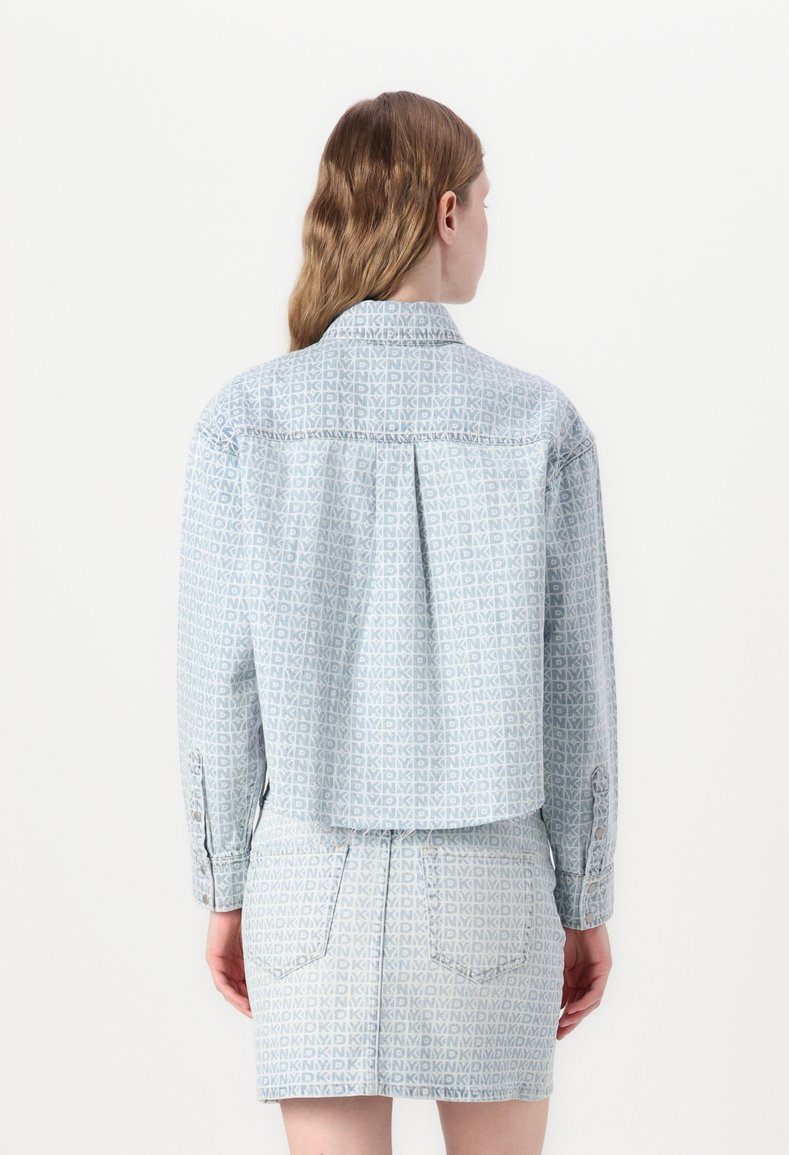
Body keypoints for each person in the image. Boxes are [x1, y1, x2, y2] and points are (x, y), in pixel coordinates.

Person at [176, 90, 617, 1155]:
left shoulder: (244, 421)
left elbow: (218, 689)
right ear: (447, 212)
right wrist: (586, 896)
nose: (488, 227)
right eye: (486, 204)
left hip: (305, 887)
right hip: (492, 889)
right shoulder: (538, 424)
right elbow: (576, 699)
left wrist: (224, 887)